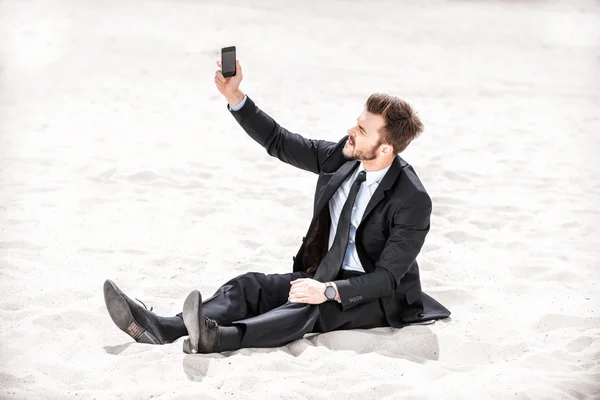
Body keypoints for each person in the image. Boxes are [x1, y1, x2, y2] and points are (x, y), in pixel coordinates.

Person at [103, 58, 451, 354]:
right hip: (323, 273)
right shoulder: (342, 158)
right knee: (250, 286)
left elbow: (388, 278)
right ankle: (163, 327)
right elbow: (280, 141)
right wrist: (235, 97)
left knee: (307, 310)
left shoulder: (411, 199)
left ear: (386, 149)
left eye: (361, 129)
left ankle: (218, 337)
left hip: (374, 296)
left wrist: (328, 290)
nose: (350, 130)